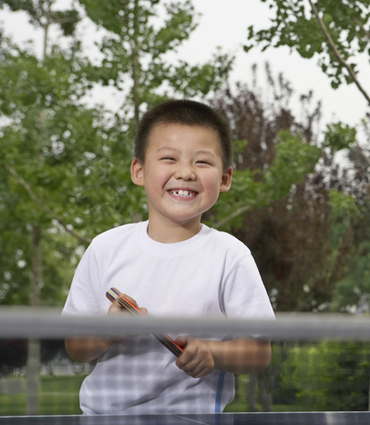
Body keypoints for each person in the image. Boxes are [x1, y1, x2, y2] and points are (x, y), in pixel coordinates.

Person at [63, 99, 274, 414]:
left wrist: (214, 353)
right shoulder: (104, 248)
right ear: (139, 170)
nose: (185, 173)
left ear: (225, 178)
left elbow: (260, 352)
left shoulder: (231, 256)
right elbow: (75, 346)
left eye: (202, 162)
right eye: (168, 158)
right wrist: (107, 332)